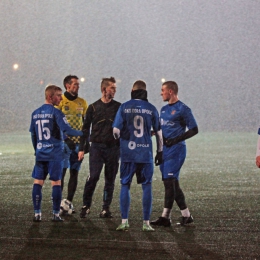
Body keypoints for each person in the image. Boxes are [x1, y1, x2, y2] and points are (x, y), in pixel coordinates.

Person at [112, 80, 163, 232]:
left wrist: (120, 140)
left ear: (132, 90)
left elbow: (115, 130)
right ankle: (146, 223)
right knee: (147, 186)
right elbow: (159, 133)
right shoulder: (151, 108)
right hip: (145, 153)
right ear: (145, 91)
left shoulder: (124, 106)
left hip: (128, 153)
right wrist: (160, 152)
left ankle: (124, 221)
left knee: (125, 185)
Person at [30, 85, 83, 222]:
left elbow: (34, 135)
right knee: (56, 183)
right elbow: (68, 131)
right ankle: (55, 214)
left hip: (41, 153)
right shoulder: (56, 113)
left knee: (38, 182)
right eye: (58, 95)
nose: (61, 98)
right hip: (54, 153)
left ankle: (37, 213)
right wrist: (85, 134)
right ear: (50, 97)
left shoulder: (35, 113)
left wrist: (37, 150)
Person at [150, 81, 198, 227]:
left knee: (170, 183)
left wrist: (176, 139)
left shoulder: (183, 109)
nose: (161, 93)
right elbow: (159, 131)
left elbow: (194, 129)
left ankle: (165, 216)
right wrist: (159, 150)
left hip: (177, 150)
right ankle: (186, 215)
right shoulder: (163, 109)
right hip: (165, 151)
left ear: (170, 91)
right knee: (171, 183)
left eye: (162, 90)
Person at [78, 77, 121, 218]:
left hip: (113, 148)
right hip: (96, 147)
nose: (115, 90)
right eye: (112, 88)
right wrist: (81, 148)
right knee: (93, 176)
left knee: (110, 179)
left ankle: (105, 208)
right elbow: (85, 129)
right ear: (104, 89)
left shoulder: (118, 107)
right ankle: (86, 205)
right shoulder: (93, 107)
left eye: (115, 88)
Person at [56, 75, 88, 212]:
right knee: (61, 173)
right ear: (67, 86)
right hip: (64, 144)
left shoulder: (83, 103)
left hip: (77, 145)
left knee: (74, 173)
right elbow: (56, 123)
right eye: (75, 84)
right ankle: (57, 203)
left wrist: (84, 144)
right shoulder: (60, 101)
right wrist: (65, 139)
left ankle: (68, 202)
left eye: (78, 84)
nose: (77, 86)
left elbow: (85, 126)